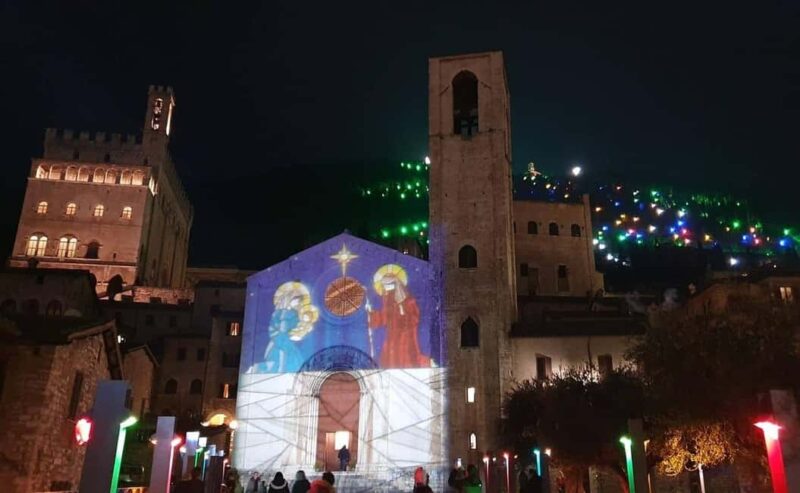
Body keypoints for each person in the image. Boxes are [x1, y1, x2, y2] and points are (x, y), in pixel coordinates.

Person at [367, 264, 429, 368]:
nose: (386, 290)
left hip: (406, 338)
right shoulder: (388, 301)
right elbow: (382, 318)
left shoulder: (409, 301)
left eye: (389, 285)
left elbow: (413, 319)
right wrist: (370, 314)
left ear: (397, 285)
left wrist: (402, 309)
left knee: (406, 359)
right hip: (392, 339)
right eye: (384, 286)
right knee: (390, 361)